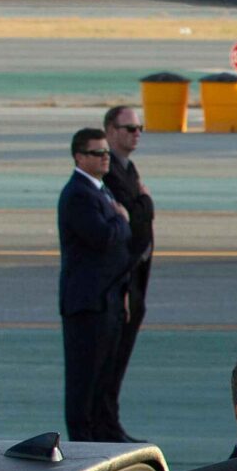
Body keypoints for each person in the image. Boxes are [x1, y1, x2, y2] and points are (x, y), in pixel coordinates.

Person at [58, 128, 132, 442]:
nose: (105, 158)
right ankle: (83, 443)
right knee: (84, 382)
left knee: (102, 378)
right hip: (88, 303)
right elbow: (101, 237)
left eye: (106, 153)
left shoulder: (100, 189)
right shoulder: (78, 194)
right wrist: (121, 219)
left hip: (107, 300)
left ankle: (103, 436)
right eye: (97, 153)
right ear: (79, 156)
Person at [96, 104, 154, 443]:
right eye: (129, 128)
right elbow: (137, 214)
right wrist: (144, 203)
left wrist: (142, 207)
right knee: (108, 360)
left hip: (136, 278)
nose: (136, 134)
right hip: (122, 280)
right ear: (110, 131)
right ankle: (104, 427)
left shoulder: (128, 170)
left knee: (118, 360)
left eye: (139, 128)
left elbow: (140, 214)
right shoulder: (111, 175)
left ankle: (110, 423)